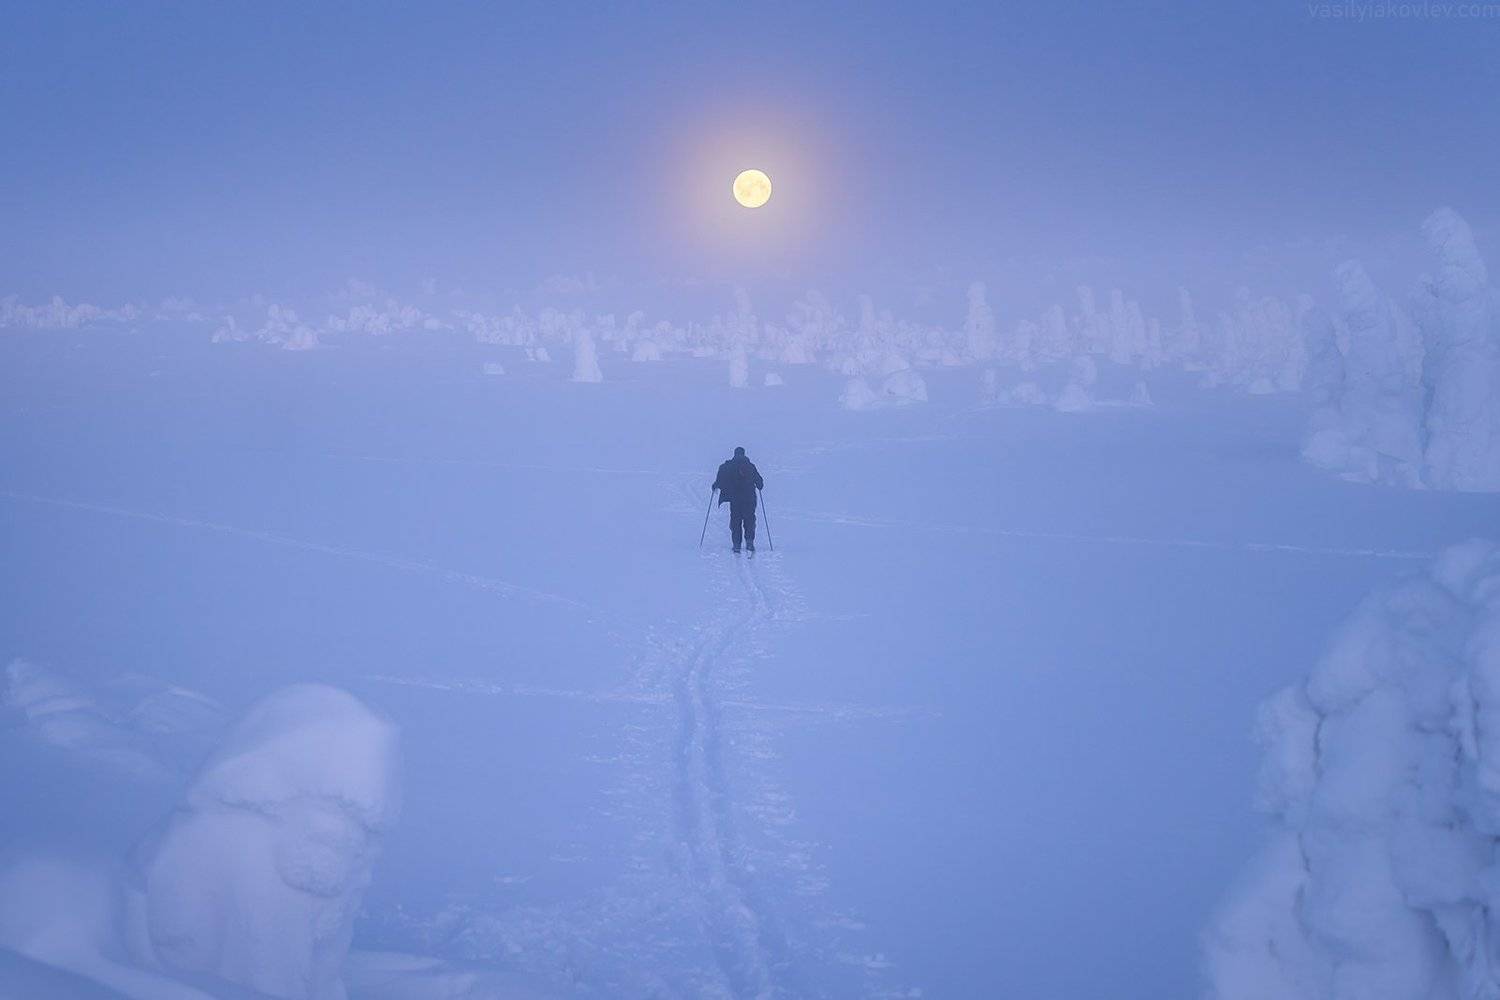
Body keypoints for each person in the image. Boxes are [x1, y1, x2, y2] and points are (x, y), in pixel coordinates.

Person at [712, 446, 764, 553]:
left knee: (735, 521)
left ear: (735, 454)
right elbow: (760, 483)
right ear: (744, 454)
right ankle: (749, 542)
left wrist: (715, 485)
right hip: (749, 499)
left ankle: (736, 544)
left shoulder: (728, 466)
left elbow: (720, 480)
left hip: (735, 499)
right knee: (749, 520)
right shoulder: (750, 466)